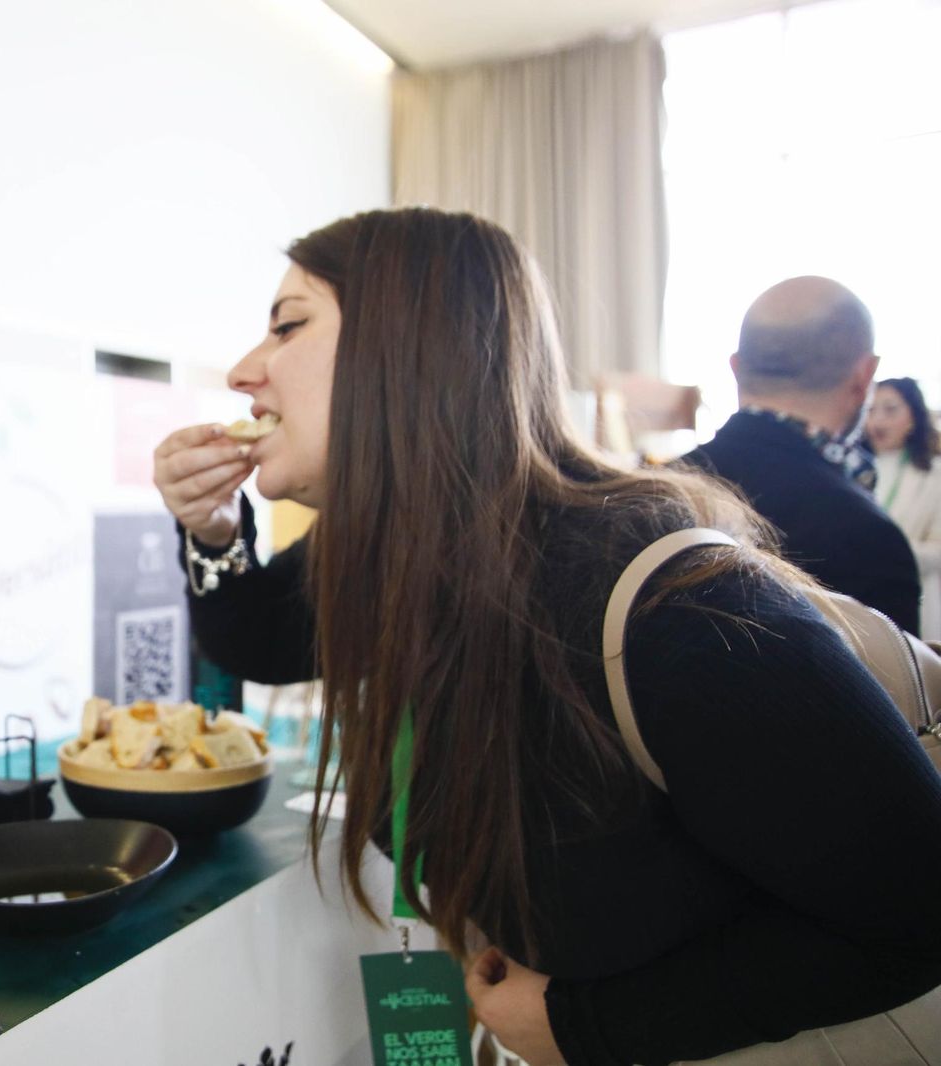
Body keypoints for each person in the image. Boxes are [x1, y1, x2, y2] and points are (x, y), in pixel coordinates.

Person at [153, 208, 941, 1065]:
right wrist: (214, 532)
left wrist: (585, 1026)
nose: (242, 372)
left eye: (288, 325)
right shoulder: (401, 557)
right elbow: (261, 641)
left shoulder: (674, 612)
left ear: (410, 346)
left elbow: (917, 913)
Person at [681, 276, 921, 633]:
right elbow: (899, 688)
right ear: (864, 376)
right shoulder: (869, 538)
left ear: (735, 367)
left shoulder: (654, 493)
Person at [862, 376, 941, 637]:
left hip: (919, 600)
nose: (878, 421)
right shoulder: (854, 469)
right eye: (871, 410)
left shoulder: (934, 475)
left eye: (890, 409)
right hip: (862, 599)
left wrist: (887, 550)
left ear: (914, 416)